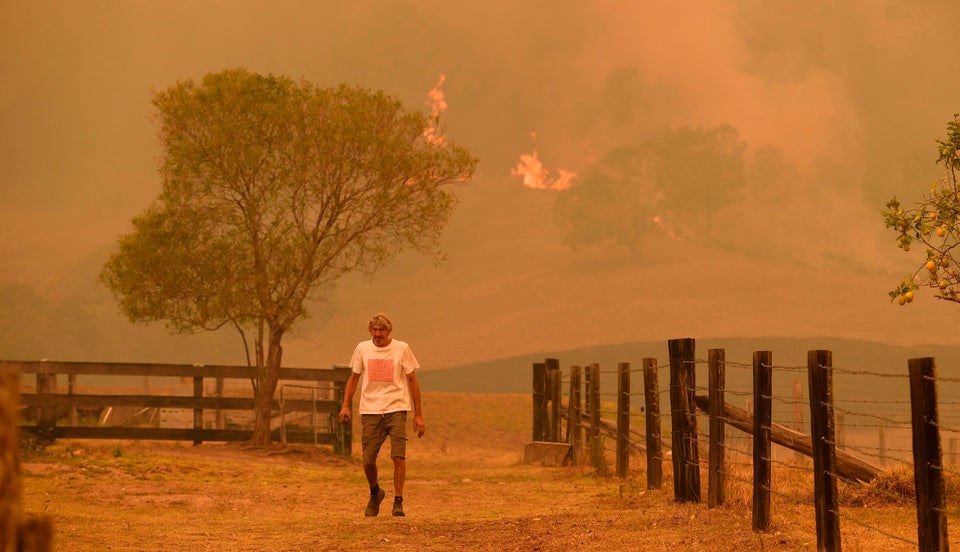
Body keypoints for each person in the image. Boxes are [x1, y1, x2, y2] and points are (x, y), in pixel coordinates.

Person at [339, 312, 425, 517]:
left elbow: (412, 380)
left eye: (382, 330)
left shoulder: (402, 348)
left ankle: (398, 501)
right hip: (370, 409)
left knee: (398, 455)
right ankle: (375, 493)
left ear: (389, 331)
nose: (377, 334)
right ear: (370, 331)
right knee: (368, 460)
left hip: (396, 407)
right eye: (374, 330)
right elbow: (354, 378)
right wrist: (345, 405)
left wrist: (418, 414)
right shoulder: (362, 348)